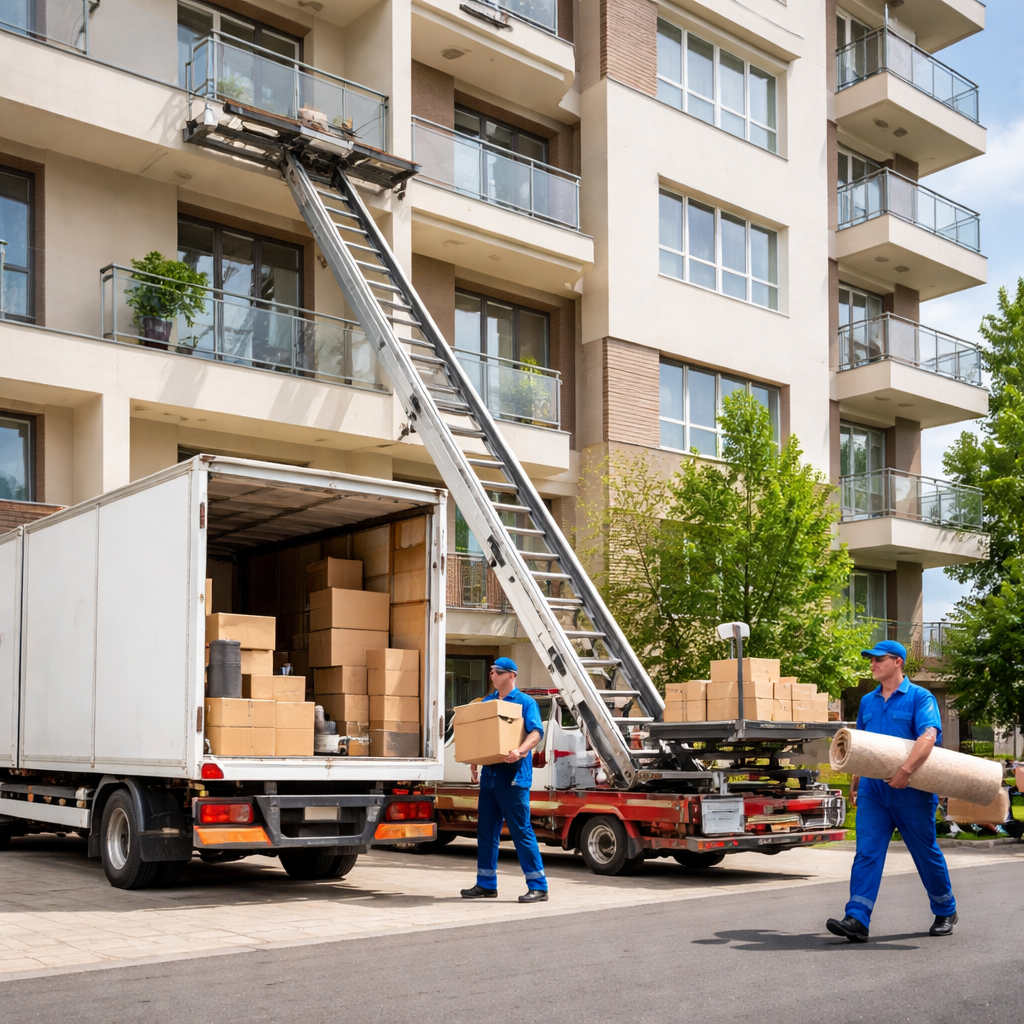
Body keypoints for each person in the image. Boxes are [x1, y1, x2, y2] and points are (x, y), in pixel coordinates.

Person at [826, 640, 958, 943]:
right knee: (867, 853)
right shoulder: (867, 702)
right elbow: (859, 746)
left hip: (912, 790)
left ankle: (945, 909)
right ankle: (857, 918)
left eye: (877, 659)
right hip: (874, 792)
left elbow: (928, 736)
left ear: (897, 662)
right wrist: (855, 782)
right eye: (870, 660)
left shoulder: (920, 697)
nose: (872, 664)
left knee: (924, 853)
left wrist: (905, 771)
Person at [460, 657, 549, 904]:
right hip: (490, 778)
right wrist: (475, 760)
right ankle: (486, 884)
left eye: (497, 672)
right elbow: (480, 735)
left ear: (511, 675)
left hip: (514, 778)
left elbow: (536, 733)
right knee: (486, 832)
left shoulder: (525, 702)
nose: (492, 676)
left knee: (521, 831)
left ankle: (539, 886)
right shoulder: (488, 703)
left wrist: (520, 751)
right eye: (490, 672)